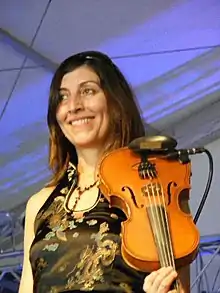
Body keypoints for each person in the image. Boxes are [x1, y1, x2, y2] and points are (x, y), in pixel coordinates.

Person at [19, 51, 190, 293]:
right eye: (63, 97)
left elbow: (179, 286)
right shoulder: (39, 203)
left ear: (116, 103)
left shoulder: (152, 186)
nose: (74, 106)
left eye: (87, 91)